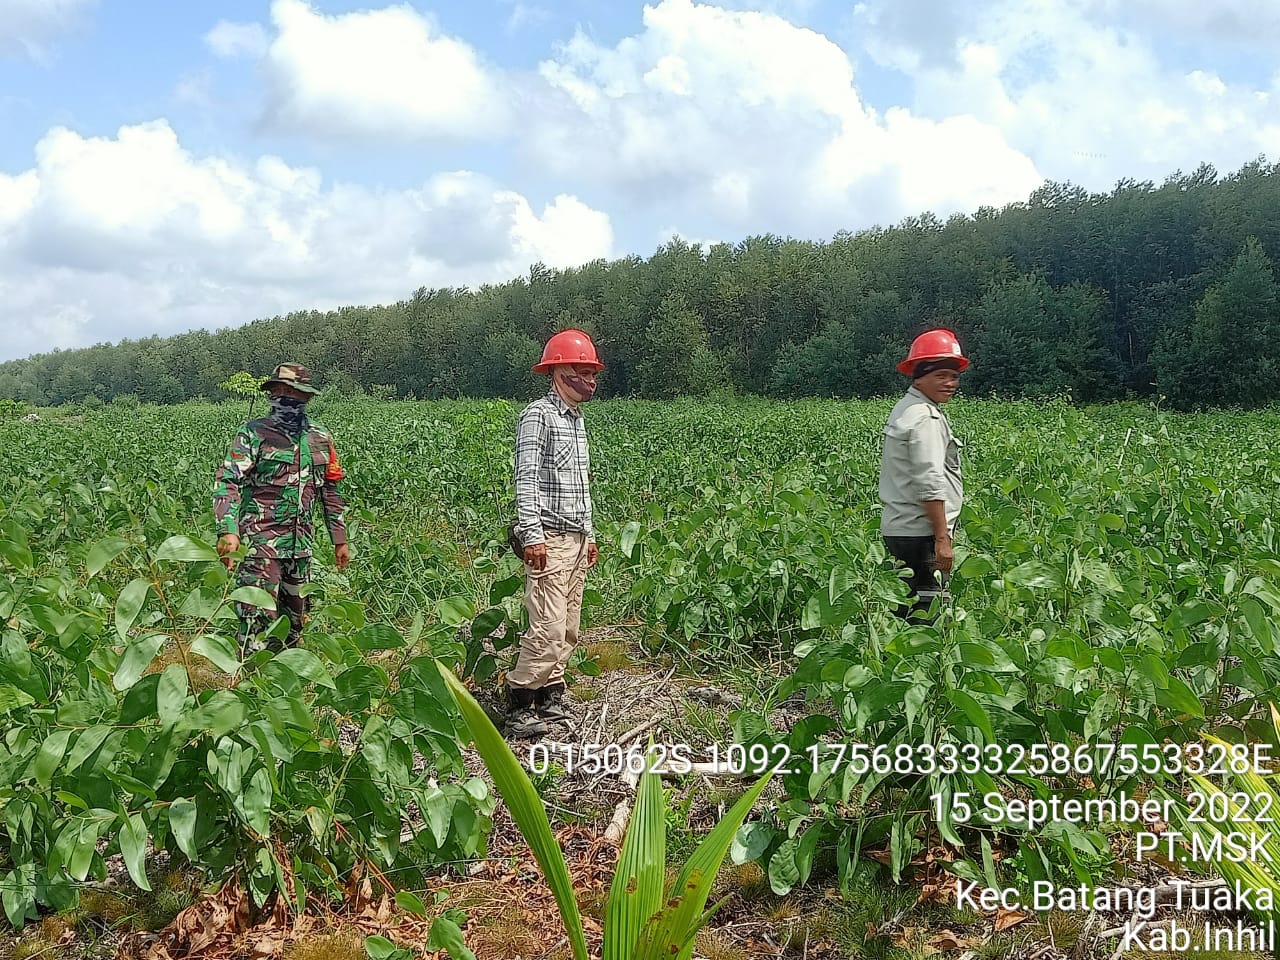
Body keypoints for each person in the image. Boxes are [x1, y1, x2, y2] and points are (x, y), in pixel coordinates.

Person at [213, 363, 350, 654]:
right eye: (279, 391)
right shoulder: (254, 434)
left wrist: (340, 539)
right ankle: (252, 684)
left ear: (307, 397)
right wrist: (229, 530)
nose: (285, 397)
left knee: (294, 623)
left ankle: (285, 686)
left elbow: (330, 490)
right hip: (260, 545)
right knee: (256, 621)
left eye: (292, 392)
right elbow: (228, 480)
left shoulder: (321, 439)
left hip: (300, 548)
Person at [506, 330, 603, 738]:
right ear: (560, 370)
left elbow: (579, 483)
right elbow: (526, 477)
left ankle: (551, 695)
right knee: (546, 626)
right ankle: (518, 703)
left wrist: (590, 534)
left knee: (569, 627)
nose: (591, 380)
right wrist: (531, 535)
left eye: (593, 372)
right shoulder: (538, 416)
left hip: (576, 538)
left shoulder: (577, 420)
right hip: (549, 538)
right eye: (583, 371)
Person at [878, 329, 968, 623]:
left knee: (905, 611)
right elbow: (930, 482)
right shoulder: (924, 418)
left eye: (954, 376)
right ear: (920, 375)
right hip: (921, 535)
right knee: (925, 622)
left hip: (902, 530)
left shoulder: (907, 408)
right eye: (941, 375)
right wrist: (942, 539)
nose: (951, 383)